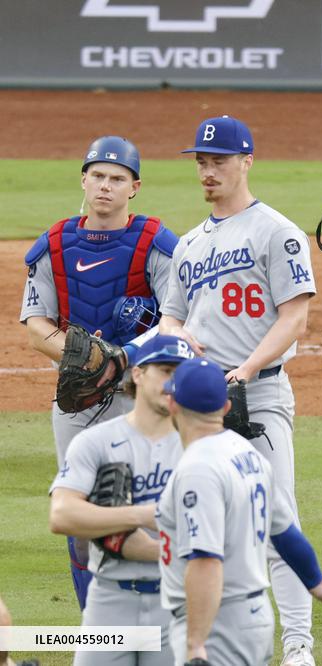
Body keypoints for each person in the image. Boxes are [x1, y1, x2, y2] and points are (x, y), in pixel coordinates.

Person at [158, 116, 318, 666]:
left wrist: (245, 370)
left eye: (219, 160)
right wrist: (180, 338)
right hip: (200, 406)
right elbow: (172, 317)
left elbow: (295, 317)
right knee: (195, 517)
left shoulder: (277, 231)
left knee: (278, 519)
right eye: (201, 161)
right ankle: (198, 636)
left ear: (247, 161)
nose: (208, 171)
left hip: (260, 398)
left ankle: (298, 645)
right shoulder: (189, 244)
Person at [20, 136, 177, 609]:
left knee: (152, 505)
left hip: (141, 397)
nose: (106, 186)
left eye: (117, 178)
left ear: (135, 187)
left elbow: (175, 318)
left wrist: (120, 358)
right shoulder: (53, 243)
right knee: (83, 513)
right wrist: (82, 359)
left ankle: (159, 617)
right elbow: (35, 325)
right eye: (98, 175)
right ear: (84, 180)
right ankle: (98, 622)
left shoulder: (156, 242)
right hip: (76, 401)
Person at [157, 358, 322, 665]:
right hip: (255, 621)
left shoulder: (198, 469)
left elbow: (206, 561)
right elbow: (286, 532)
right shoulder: (250, 456)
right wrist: (316, 583)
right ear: (225, 408)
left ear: (172, 404)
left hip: (217, 626)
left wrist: (196, 643)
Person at [48, 335, 193, 664]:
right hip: (109, 602)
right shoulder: (95, 442)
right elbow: (61, 516)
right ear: (138, 374)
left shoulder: (200, 446)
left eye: (181, 375)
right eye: (166, 371)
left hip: (177, 603)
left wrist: (124, 529)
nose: (173, 383)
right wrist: (142, 516)